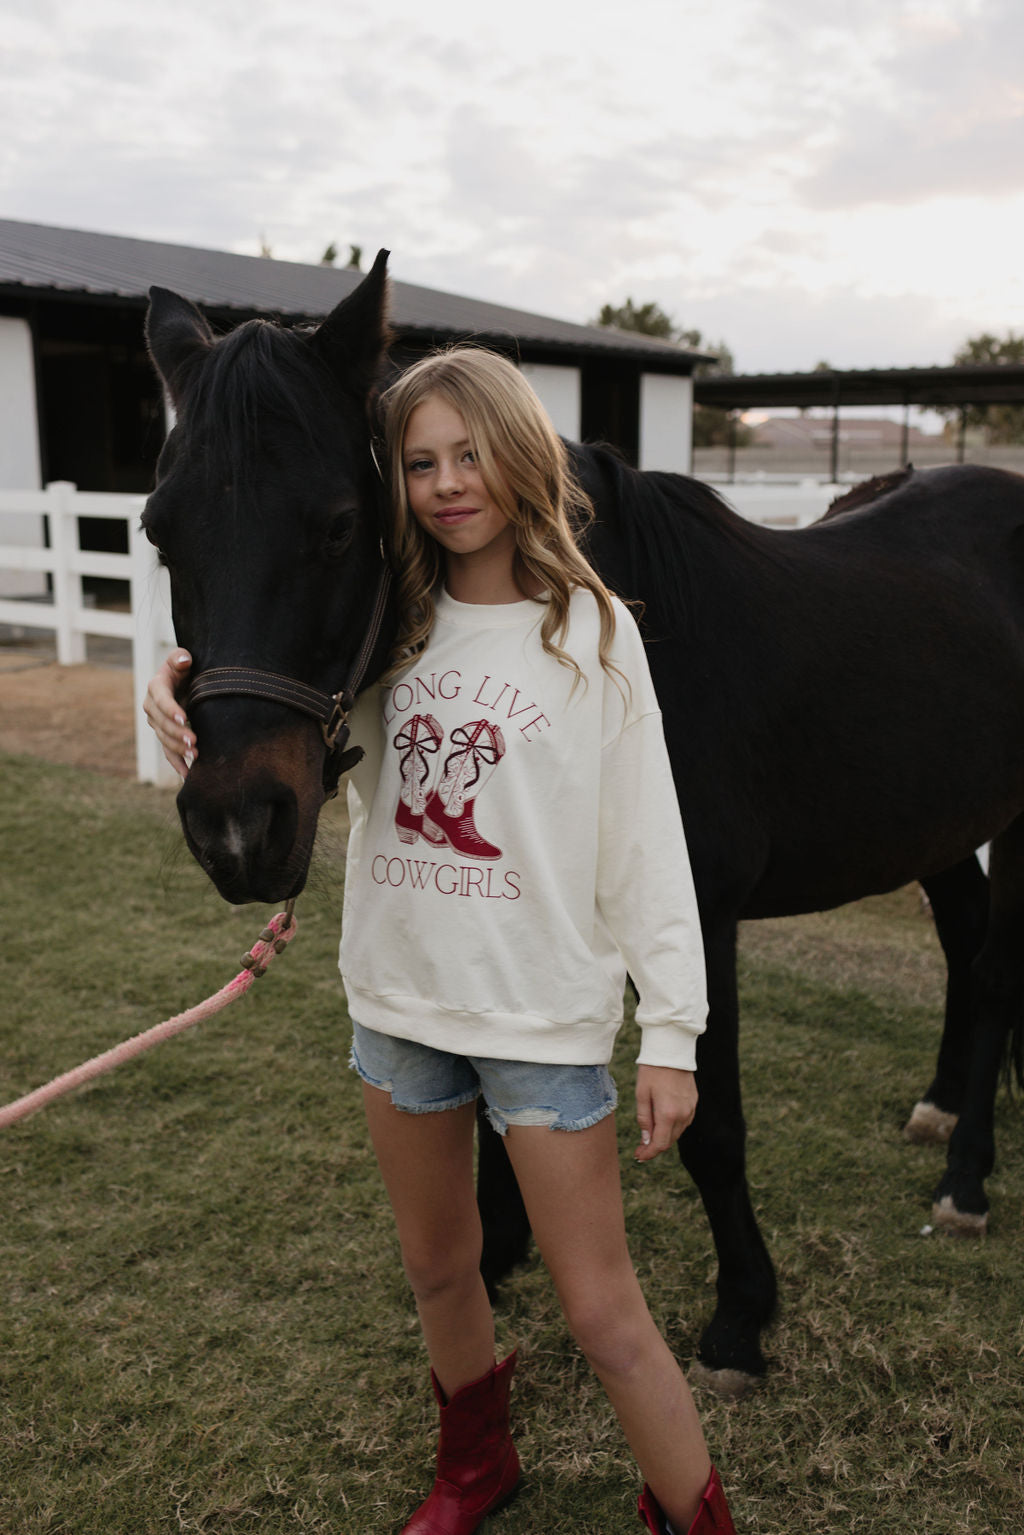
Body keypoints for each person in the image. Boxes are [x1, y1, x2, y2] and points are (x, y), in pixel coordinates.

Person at [145, 347, 737, 1535]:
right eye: (420, 462)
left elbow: (646, 845)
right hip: (400, 1009)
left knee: (604, 1315)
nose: (448, 482)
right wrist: (169, 688)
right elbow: (271, 659)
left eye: (471, 453)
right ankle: (475, 1466)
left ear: (523, 454)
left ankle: (692, 1511)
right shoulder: (389, 630)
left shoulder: (594, 633)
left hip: (542, 1023)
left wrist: (670, 1029)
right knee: (438, 1270)